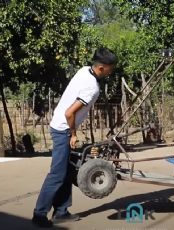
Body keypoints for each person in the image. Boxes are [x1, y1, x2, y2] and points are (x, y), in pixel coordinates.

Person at [32, 48, 118, 228]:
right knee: (56, 174)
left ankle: (61, 212)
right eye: (111, 68)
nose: (112, 71)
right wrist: (73, 134)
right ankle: (39, 214)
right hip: (63, 129)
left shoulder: (84, 70)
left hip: (59, 124)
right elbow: (69, 112)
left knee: (67, 171)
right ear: (101, 68)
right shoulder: (92, 88)